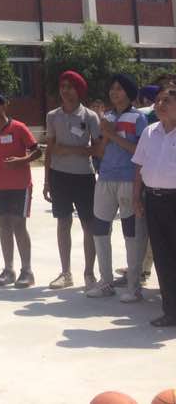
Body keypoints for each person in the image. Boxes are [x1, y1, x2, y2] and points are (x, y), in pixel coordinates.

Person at [86, 74, 147, 302]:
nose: (114, 92)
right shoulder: (108, 116)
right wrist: (105, 134)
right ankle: (106, 282)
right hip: (105, 178)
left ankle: (134, 286)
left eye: (119, 88)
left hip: (129, 179)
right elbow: (101, 151)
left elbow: (139, 151)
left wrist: (112, 134)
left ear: (129, 93)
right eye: (112, 88)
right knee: (100, 230)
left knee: (131, 233)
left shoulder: (138, 118)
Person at [0, 90, 41, 288]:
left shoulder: (19, 127)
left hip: (19, 186)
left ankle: (27, 271)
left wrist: (22, 160)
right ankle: (8, 269)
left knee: (19, 227)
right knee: (4, 227)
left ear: (4, 106)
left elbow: (37, 151)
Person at [43, 70, 100, 290]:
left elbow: (97, 148)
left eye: (70, 87)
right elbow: (50, 149)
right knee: (63, 223)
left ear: (79, 90)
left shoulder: (90, 117)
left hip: (84, 177)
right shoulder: (52, 116)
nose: (65, 91)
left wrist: (68, 149)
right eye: (63, 86)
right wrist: (47, 180)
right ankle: (66, 273)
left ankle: (89, 273)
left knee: (89, 225)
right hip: (59, 176)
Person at [132, 79, 176, 327]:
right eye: (157, 101)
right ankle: (171, 311)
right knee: (163, 257)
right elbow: (138, 167)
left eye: (166, 101)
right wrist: (137, 198)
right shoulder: (150, 132)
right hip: (155, 201)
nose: (159, 105)